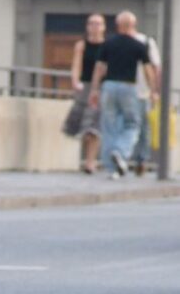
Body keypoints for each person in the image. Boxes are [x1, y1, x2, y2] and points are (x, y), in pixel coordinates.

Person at [89, 10, 158, 178]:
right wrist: (153, 91)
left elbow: (99, 68)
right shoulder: (139, 45)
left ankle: (112, 168)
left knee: (109, 126)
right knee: (132, 124)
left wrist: (94, 89)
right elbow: (149, 70)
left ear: (118, 25)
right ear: (133, 25)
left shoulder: (109, 43)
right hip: (128, 87)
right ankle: (121, 152)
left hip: (109, 87)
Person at [62, 13, 106, 174]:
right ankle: (85, 160)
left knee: (93, 127)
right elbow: (76, 64)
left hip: (100, 88)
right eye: (91, 23)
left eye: (98, 24)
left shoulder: (106, 46)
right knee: (82, 126)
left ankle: (90, 162)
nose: (94, 27)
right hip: (85, 87)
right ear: (87, 26)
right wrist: (75, 81)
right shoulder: (82, 45)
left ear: (103, 27)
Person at [130, 20, 161, 176]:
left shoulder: (147, 42)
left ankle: (141, 160)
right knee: (129, 126)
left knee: (143, 128)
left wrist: (155, 90)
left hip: (143, 92)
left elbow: (155, 67)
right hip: (127, 91)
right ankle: (127, 157)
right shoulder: (118, 43)